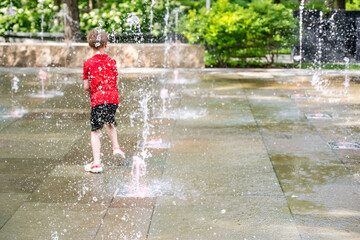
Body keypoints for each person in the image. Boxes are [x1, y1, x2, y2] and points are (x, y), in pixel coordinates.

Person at [83, 29, 125, 173]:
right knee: (109, 122)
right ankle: (116, 147)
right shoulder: (112, 61)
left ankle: (96, 164)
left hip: (98, 99)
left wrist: (92, 92)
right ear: (106, 44)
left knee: (95, 131)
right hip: (113, 98)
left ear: (90, 45)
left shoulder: (88, 63)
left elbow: (86, 86)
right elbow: (115, 80)